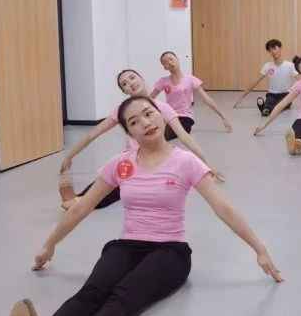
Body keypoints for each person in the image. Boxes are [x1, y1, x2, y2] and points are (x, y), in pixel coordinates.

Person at [8, 96, 283, 316]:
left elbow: (223, 208)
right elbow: (82, 207)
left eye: (149, 114)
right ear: (130, 133)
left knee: (123, 298)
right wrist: (49, 245)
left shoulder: (186, 162)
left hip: (170, 253)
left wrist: (259, 249)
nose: (145, 123)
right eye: (134, 122)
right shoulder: (121, 164)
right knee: (92, 291)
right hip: (127, 245)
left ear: (161, 115)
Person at [59, 69, 224, 211]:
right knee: (109, 177)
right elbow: (92, 134)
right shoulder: (122, 110)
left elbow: (184, 136)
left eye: (132, 77)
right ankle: (77, 199)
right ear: (125, 91)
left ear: (141, 79)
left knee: (118, 186)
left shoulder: (162, 107)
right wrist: (69, 156)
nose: (130, 83)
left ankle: (77, 201)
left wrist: (207, 163)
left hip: (152, 162)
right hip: (130, 159)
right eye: (124, 83)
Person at [150, 50, 232, 134]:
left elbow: (206, 99)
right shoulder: (163, 81)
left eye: (171, 59)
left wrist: (223, 117)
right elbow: (149, 99)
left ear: (177, 59)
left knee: (162, 133)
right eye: (166, 62)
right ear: (164, 67)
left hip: (184, 119)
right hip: (169, 116)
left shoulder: (190, 79)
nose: (170, 63)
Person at [235, 38, 297, 116]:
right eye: (270, 50)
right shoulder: (268, 66)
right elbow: (256, 81)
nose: (273, 52)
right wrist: (242, 96)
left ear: (280, 48)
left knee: (279, 106)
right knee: (268, 105)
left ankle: (267, 108)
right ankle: (266, 108)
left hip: (286, 95)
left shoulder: (290, 65)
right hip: (272, 95)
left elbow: (300, 81)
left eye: (274, 48)